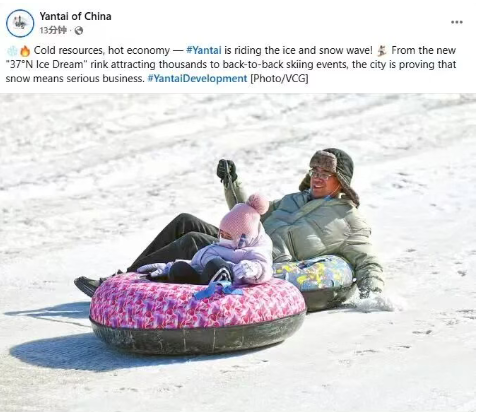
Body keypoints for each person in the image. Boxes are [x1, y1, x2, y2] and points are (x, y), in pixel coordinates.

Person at [74, 148, 384, 298]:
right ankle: (124, 279)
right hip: (243, 242)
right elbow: (248, 214)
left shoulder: (348, 219)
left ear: (341, 182)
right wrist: (232, 183)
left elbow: (367, 260)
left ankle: (116, 287)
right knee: (186, 222)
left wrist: (374, 295)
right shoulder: (293, 199)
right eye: (314, 171)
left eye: (325, 173)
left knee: (195, 241)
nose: (317, 177)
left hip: (258, 260)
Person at [134, 193, 273, 286]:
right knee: (179, 267)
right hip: (205, 276)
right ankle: (133, 272)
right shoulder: (223, 246)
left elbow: (265, 265)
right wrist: (168, 267)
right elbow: (197, 263)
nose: (221, 238)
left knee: (213, 262)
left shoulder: (254, 250)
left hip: (225, 276)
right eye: (220, 234)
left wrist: (255, 269)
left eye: (226, 236)